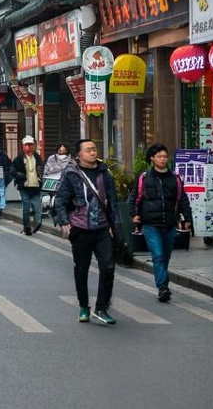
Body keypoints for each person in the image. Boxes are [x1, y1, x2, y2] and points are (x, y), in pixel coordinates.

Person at [54, 138, 120, 325]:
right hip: (80, 228)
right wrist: (64, 221)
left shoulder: (104, 172)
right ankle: (84, 306)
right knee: (81, 269)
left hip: (101, 228)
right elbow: (60, 199)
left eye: (94, 149)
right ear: (79, 154)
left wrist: (113, 225)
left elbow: (112, 201)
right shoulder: (71, 173)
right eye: (89, 150)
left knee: (108, 267)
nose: (93, 152)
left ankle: (101, 307)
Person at [131, 143, 194, 303]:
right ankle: (163, 288)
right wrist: (134, 215)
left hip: (170, 224)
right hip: (151, 224)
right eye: (159, 156)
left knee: (165, 258)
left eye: (165, 156)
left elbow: (182, 199)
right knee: (158, 256)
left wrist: (187, 219)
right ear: (152, 158)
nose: (163, 159)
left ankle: (162, 284)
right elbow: (134, 198)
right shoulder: (144, 177)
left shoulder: (175, 178)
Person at [12, 135, 45, 235]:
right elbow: (12, 171)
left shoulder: (38, 159)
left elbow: (43, 170)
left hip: (36, 186)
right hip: (24, 186)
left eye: (30, 145)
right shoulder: (18, 159)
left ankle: (37, 223)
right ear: (23, 146)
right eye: (26, 145)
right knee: (26, 208)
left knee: (37, 208)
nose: (28, 147)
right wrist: (18, 175)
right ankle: (26, 227)